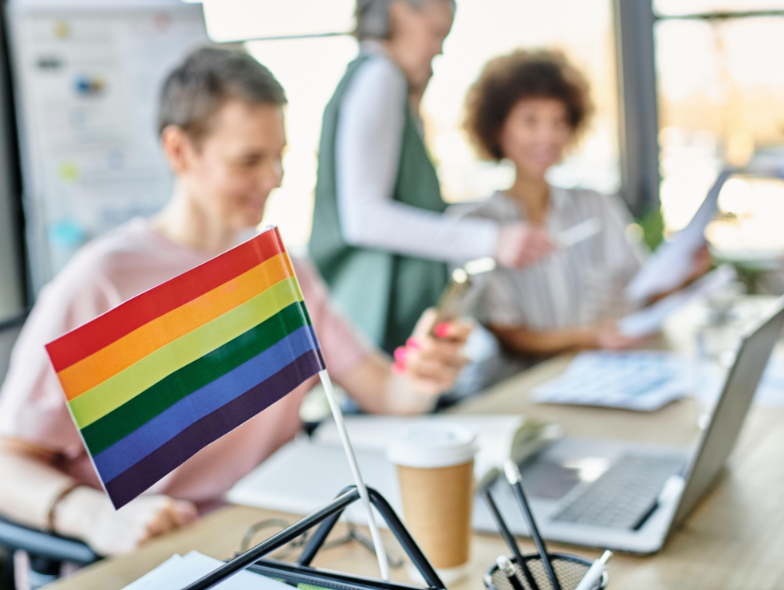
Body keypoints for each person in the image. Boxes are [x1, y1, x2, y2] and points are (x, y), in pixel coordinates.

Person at [0, 47, 471, 558]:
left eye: (279, 157)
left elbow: (390, 396)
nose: (274, 178)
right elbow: (8, 460)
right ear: (179, 151)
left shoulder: (283, 270)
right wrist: (88, 516)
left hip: (278, 537)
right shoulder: (101, 282)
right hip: (158, 552)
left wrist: (423, 373)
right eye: (250, 160)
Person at [309, 0, 553, 353]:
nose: (438, 50)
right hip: (370, 323)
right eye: (437, 33)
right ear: (401, 10)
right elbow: (364, 218)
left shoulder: (382, 80)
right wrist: (491, 240)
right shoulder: (380, 76)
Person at [452, 49, 710, 367]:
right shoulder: (476, 225)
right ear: (498, 128)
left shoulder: (597, 206)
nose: (547, 135)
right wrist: (590, 337)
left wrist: (684, 274)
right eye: (530, 121)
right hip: (524, 382)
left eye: (559, 121)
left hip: (609, 370)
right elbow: (508, 334)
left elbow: (643, 297)